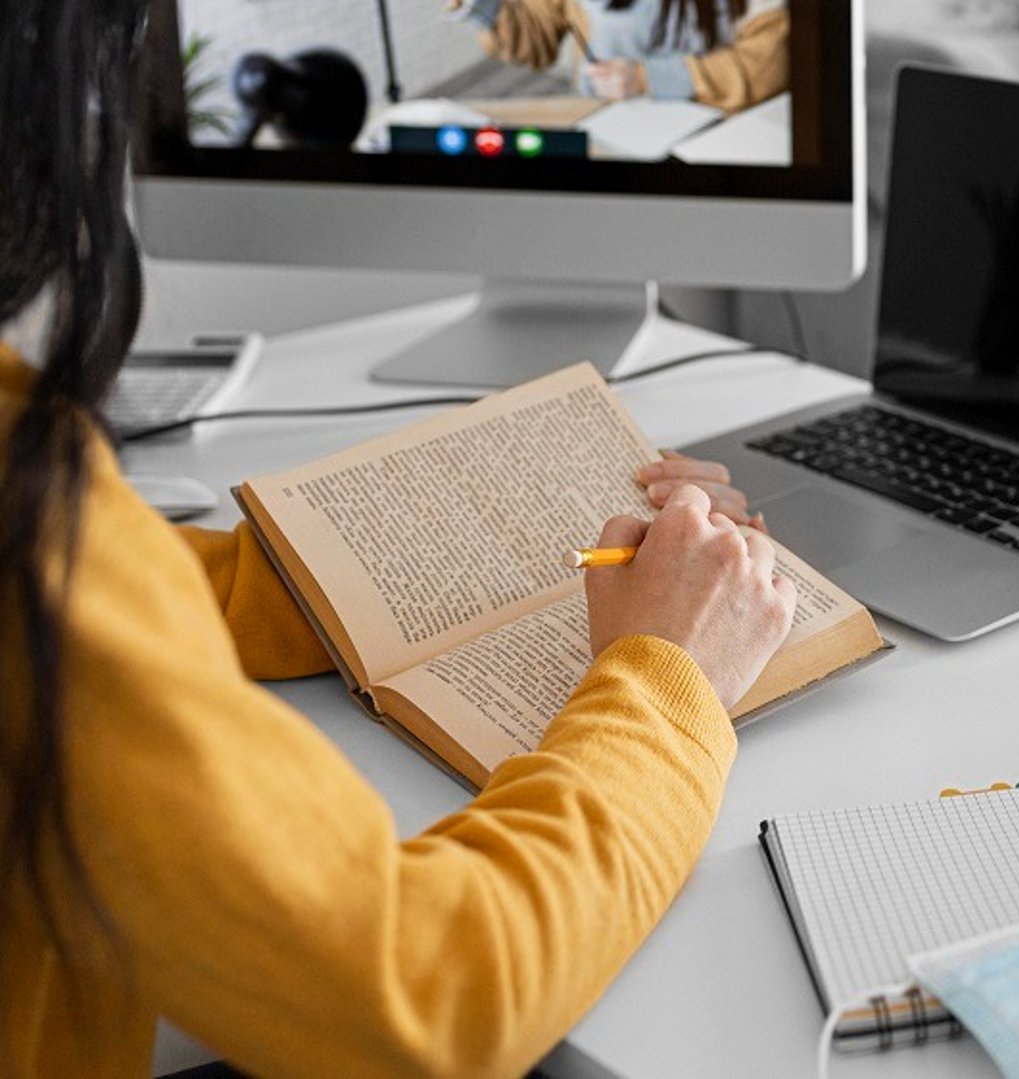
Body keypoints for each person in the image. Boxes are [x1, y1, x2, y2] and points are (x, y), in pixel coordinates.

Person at [0, 2, 794, 1074]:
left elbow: (153, 583)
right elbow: (423, 994)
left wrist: (489, 531)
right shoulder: (34, 527)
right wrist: (670, 676)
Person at [451, 0, 789, 114]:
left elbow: (772, 64)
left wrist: (647, 79)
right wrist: (484, 6)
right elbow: (536, 41)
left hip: (719, 129)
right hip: (609, 128)